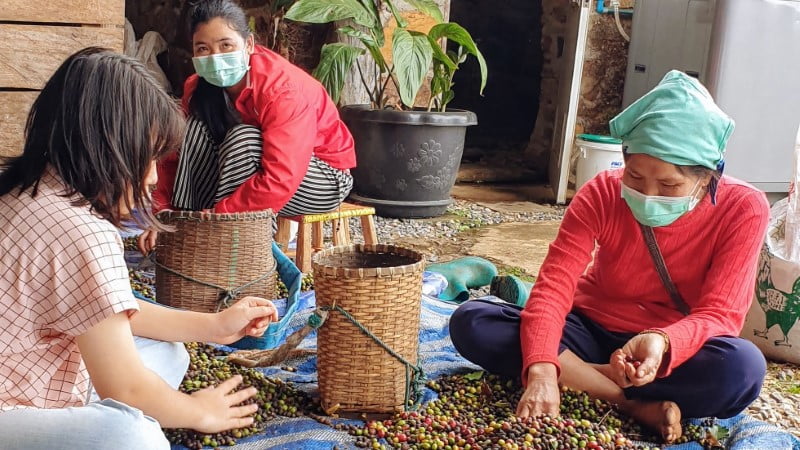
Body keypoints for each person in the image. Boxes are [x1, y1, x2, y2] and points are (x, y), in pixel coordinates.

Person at [449, 70, 770, 443]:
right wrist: (539, 374)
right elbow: (554, 289)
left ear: (708, 177)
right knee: (474, 320)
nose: (647, 194)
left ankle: (577, 375)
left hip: (666, 350)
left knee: (741, 369)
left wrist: (662, 342)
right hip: (589, 327)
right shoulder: (601, 192)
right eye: (634, 177)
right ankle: (632, 405)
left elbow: (720, 314)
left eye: (669, 185)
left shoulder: (744, 208)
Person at [0, 47, 279, 449]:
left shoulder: (32, 190)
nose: (152, 177)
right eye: (147, 157)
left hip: (34, 372)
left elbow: (107, 307)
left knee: (170, 354)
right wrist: (200, 411)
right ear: (104, 147)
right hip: (13, 407)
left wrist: (214, 326)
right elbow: (126, 387)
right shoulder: (81, 229)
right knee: (133, 437)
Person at [139, 0, 356, 253]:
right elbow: (174, 154)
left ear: (249, 44)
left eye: (226, 45)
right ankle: (185, 231)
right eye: (203, 48)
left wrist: (220, 217)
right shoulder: (197, 87)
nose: (215, 57)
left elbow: (281, 176)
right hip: (249, 173)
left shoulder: (282, 90)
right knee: (193, 129)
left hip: (323, 179)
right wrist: (162, 212)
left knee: (244, 140)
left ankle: (232, 245)